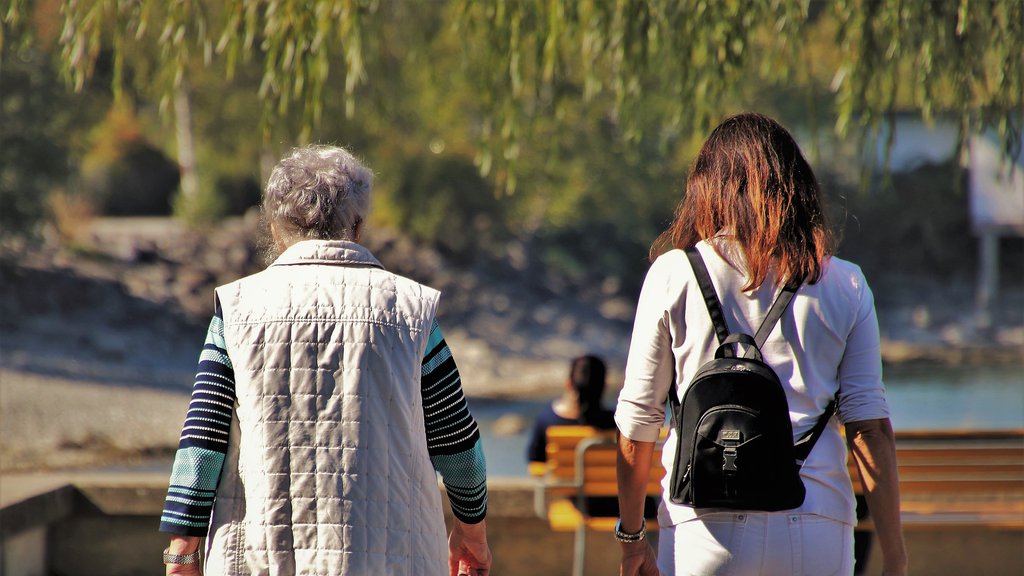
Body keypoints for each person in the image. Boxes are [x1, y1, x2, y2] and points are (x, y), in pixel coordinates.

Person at [158, 145, 492, 576]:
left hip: (261, 558)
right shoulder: (411, 311)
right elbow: (458, 442)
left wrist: (183, 552)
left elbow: (203, 439)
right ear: (357, 225)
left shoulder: (238, 308)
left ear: (278, 228)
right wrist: (472, 535)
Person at [614, 113, 907, 576]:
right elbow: (869, 428)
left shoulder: (673, 274)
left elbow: (637, 423)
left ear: (707, 187)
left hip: (702, 528)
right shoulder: (846, 284)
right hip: (817, 524)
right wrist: (895, 557)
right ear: (796, 187)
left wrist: (632, 540)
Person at [527, 354, 616, 464]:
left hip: (562, 481)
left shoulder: (547, 419)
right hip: (605, 481)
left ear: (569, 383)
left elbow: (536, 463)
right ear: (604, 386)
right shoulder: (616, 422)